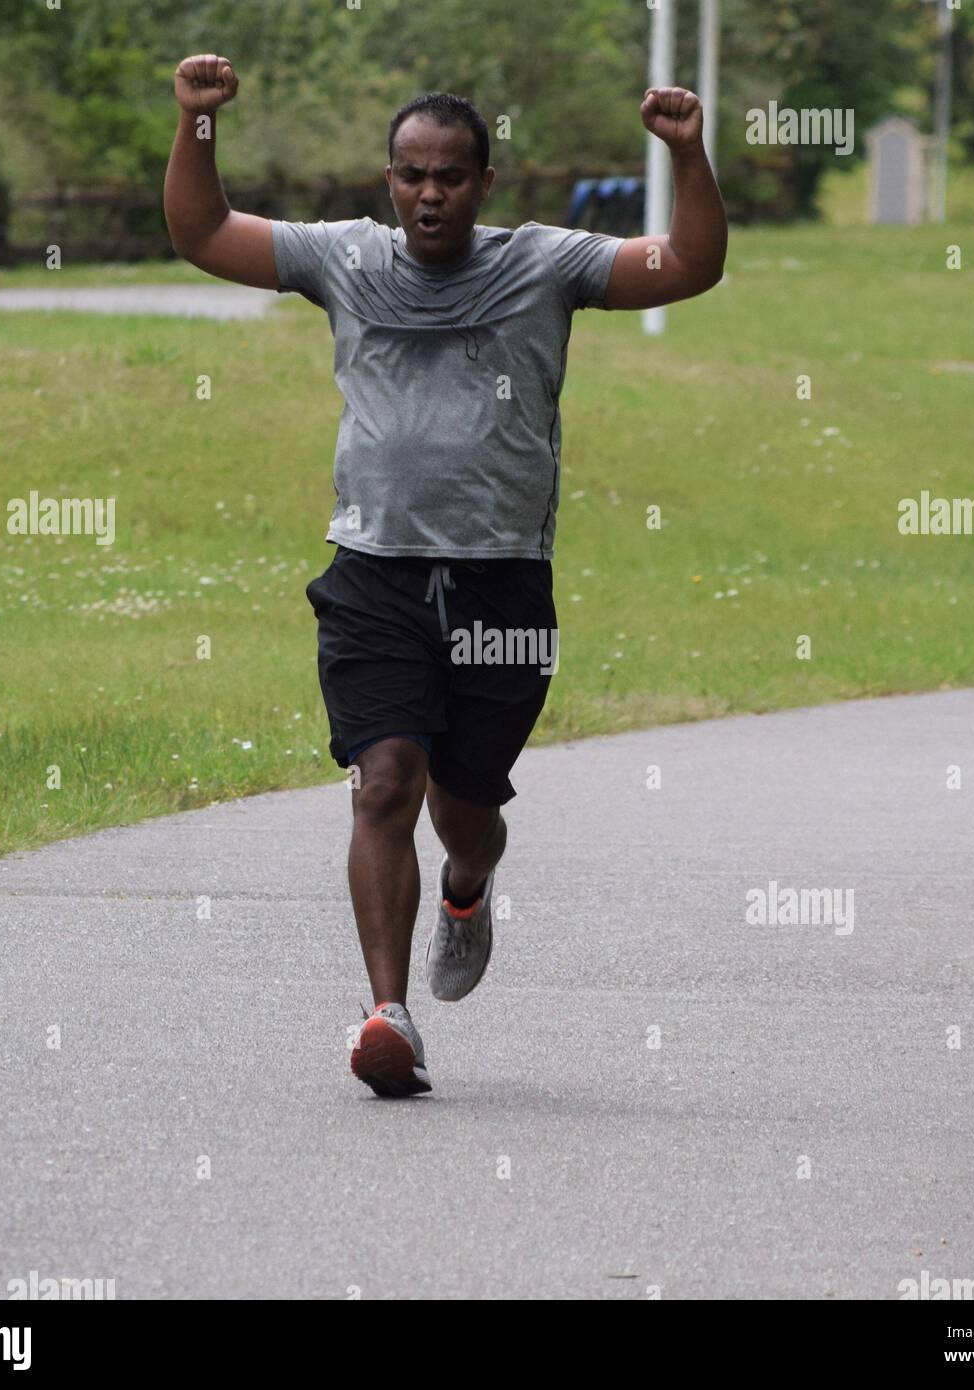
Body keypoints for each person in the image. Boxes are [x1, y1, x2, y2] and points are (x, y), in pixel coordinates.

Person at [163, 55, 727, 1097]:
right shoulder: (344, 260)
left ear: (483, 183)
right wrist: (197, 124)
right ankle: (389, 1015)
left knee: (463, 805)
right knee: (384, 784)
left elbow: (689, 265)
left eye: (450, 176)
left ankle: (468, 885)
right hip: (373, 570)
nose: (429, 194)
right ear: (389, 179)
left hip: (502, 585)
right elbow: (204, 234)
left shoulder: (545, 266)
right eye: (411, 174)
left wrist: (687, 155)